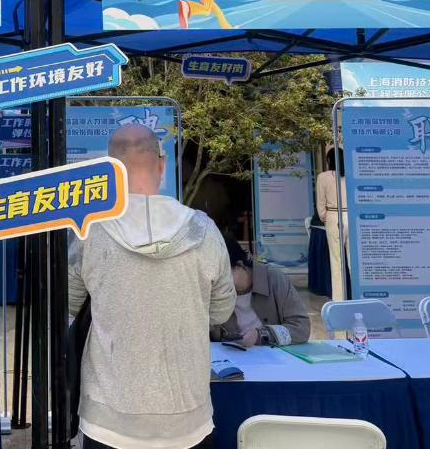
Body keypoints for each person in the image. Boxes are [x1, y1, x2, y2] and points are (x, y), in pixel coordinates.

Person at [69, 124, 235, 449]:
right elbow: (221, 311)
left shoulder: (90, 231)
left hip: (108, 421)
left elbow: (71, 303)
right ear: (162, 165)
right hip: (188, 421)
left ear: (110, 171)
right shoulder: (204, 231)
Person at [211, 237, 310, 347]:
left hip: (274, 354)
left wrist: (262, 335)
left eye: (222, 276)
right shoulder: (214, 293)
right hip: (230, 356)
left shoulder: (274, 279)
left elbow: (301, 328)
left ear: (240, 265)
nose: (217, 283)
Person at [316, 147, 349, 301]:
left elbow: (320, 204)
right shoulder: (350, 175)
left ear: (329, 160)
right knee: (353, 261)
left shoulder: (323, 177)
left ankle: (339, 299)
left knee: (336, 261)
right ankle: (357, 296)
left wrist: (325, 218)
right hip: (350, 215)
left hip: (333, 216)